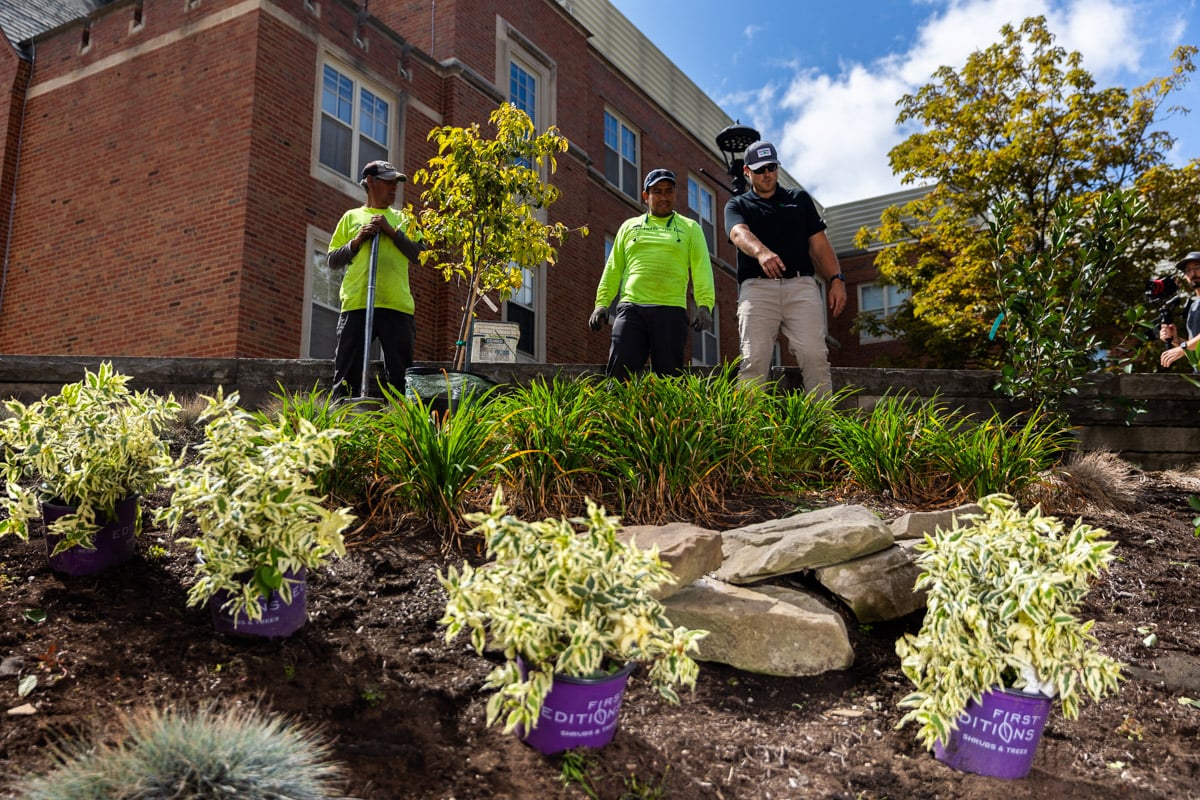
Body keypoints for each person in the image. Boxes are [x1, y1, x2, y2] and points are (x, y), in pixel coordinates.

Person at [724, 141, 846, 393]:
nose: (767, 174)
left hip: (801, 288)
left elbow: (820, 245)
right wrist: (761, 252)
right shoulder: (737, 205)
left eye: (771, 167)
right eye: (760, 169)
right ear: (747, 172)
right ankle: (748, 427)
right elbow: (738, 233)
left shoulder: (798, 199)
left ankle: (821, 426)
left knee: (814, 356)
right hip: (757, 290)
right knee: (754, 359)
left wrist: (836, 279)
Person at [589, 168, 715, 378]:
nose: (664, 197)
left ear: (675, 194)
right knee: (619, 378)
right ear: (646, 196)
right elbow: (613, 268)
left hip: (671, 311)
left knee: (668, 382)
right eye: (657, 192)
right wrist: (601, 304)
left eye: (668, 191)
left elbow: (702, 269)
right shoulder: (629, 227)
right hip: (632, 309)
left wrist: (704, 305)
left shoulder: (691, 228)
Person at [328, 160, 425, 400]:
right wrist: (357, 240)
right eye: (388, 182)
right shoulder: (352, 217)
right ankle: (343, 426)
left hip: (396, 305)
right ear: (371, 182)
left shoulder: (404, 219)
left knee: (401, 377)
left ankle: (401, 428)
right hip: (357, 303)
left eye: (396, 183)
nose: (394, 188)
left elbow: (420, 255)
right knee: (346, 375)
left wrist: (392, 232)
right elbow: (332, 260)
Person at [1159, 250, 1200, 369]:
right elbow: (1195, 354)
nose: (1192, 273)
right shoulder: (1194, 306)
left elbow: (1188, 347)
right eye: (1187, 270)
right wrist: (1176, 340)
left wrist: (1183, 348)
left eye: (1197, 267)